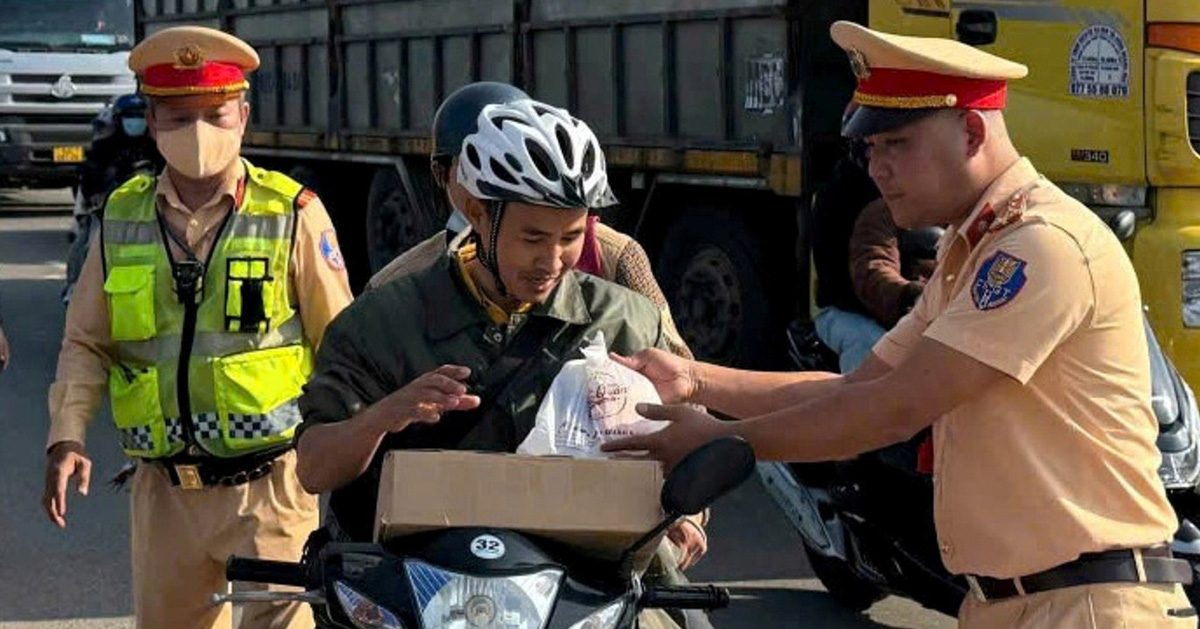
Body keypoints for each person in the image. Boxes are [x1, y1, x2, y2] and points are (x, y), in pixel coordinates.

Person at [603, 21, 1196, 628]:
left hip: (1087, 606)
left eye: (898, 145)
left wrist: (718, 443)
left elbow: (891, 409)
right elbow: (856, 386)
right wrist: (696, 381)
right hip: (1015, 603)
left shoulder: (1039, 248)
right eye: (871, 149)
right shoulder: (975, 250)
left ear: (971, 131)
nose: (878, 169)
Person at [296, 98, 709, 628]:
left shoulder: (626, 320)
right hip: (416, 597)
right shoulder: (383, 320)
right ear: (476, 211)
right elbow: (314, 467)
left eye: (570, 237)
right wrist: (384, 416)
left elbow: (687, 436)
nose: (552, 260)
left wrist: (687, 511)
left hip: (590, 595)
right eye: (532, 237)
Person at [42, 26, 353, 629]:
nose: (199, 134)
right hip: (163, 494)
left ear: (244, 116)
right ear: (152, 122)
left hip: (270, 488)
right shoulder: (122, 218)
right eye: (179, 118)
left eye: (215, 114)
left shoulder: (291, 213)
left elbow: (340, 344)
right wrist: (66, 437)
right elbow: (86, 341)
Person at [365, 82, 693, 359]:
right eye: (473, 167)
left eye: (568, 238)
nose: (551, 261)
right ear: (440, 173)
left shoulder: (614, 256)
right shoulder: (398, 284)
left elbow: (678, 371)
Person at [65, 93, 165, 303]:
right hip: (107, 214)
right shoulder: (104, 148)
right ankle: (75, 289)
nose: (134, 122)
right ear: (119, 119)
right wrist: (98, 197)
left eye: (138, 116)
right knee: (86, 244)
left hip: (151, 214)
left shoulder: (159, 148)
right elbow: (89, 180)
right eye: (129, 116)